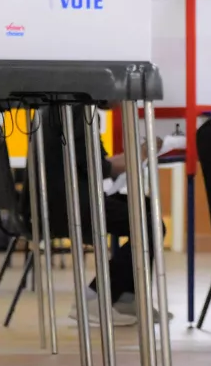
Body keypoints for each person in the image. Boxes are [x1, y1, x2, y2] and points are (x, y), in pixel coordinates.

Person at [23, 104, 167, 326]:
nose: (120, 101)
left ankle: (126, 298)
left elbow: (93, 164)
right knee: (150, 224)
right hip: (69, 207)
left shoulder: (63, 106)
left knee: (146, 211)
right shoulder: (78, 111)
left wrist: (135, 155)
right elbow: (99, 168)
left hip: (55, 202)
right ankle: (96, 297)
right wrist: (142, 154)